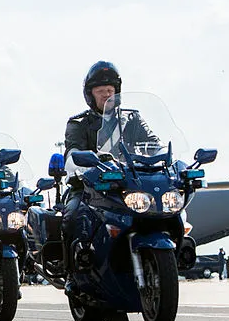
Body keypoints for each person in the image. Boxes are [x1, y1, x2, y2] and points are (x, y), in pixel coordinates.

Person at [62, 61, 159, 273]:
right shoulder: (78, 123)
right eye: (101, 91)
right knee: (71, 217)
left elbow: (154, 143)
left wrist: (164, 155)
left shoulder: (132, 119)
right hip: (89, 187)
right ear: (91, 94)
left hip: (129, 185)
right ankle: (72, 273)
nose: (106, 95)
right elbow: (72, 151)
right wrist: (78, 161)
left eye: (110, 90)